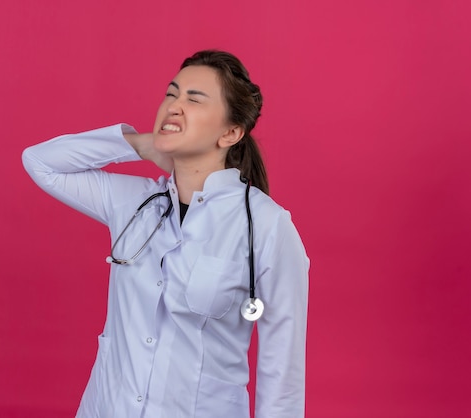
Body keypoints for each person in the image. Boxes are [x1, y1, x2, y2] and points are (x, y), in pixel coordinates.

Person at [22, 50, 309, 418]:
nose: (174, 106)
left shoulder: (268, 227)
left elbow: (281, 378)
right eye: (172, 94)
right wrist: (140, 145)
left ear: (231, 133)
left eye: (194, 98)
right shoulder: (133, 203)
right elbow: (41, 162)